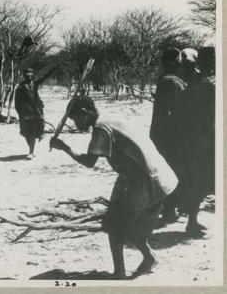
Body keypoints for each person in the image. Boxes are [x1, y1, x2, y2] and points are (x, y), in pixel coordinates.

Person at [50, 96, 177, 279]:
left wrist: (64, 147)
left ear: (85, 114)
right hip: (153, 175)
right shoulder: (111, 117)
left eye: (76, 119)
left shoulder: (101, 129)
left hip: (144, 180)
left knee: (115, 226)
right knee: (127, 223)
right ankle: (148, 258)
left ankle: (119, 272)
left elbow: (89, 161)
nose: (76, 125)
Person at [180, 46, 215, 236]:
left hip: (194, 139)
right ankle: (191, 223)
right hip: (205, 139)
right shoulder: (208, 84)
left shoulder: (193, 81)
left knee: (198, 182)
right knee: (200, 182)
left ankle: (192, 221)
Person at [150, 47, 187, 223]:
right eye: (179, 62)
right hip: (172, 135)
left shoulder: (164, 80)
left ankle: (165, 209)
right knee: (175, 170)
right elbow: (177, 111)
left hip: (160, 134)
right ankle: (169, 211)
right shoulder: (173, 82)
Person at [15, 66, 54, 159]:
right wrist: (19, 113)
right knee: (25, 133)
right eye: (27, 73)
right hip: (25, 112)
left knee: (32, 131)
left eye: (30, 72)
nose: (28, 74)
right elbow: (17, 101)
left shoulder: (35, 84)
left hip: (35, 111)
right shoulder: (20, 87)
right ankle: (31, 148)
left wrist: (53, 68)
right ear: (24, 75)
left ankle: (31, 151)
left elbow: (44, 77)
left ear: (32, 74)